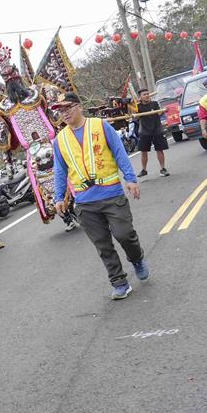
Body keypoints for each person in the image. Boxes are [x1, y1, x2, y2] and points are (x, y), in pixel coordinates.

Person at [51, 93, 149, 300]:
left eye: (67, 107)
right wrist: (59, 197)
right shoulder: (59, 140)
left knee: (125, 234)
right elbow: (60, 170)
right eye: (60, 110)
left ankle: (137, 258)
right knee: (102, 245)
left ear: (78, 106)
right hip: (84, 201)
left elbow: (119, 152)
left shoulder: (100, 126)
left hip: (112, 194)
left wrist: (130, 178)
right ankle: (119, 282)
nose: (64, 113)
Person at [135, 88, 169, 177]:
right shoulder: (137, 107)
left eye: (147, 94)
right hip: (144, 132)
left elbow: (159, 114)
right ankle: (144, 170)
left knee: (159, 150)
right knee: (143, 151)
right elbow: (135, 117)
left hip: (157, 130)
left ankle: (163, 169)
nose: (147, 96)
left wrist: (163, 111)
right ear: (140, 97)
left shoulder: (154, 103)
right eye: (144, 94)